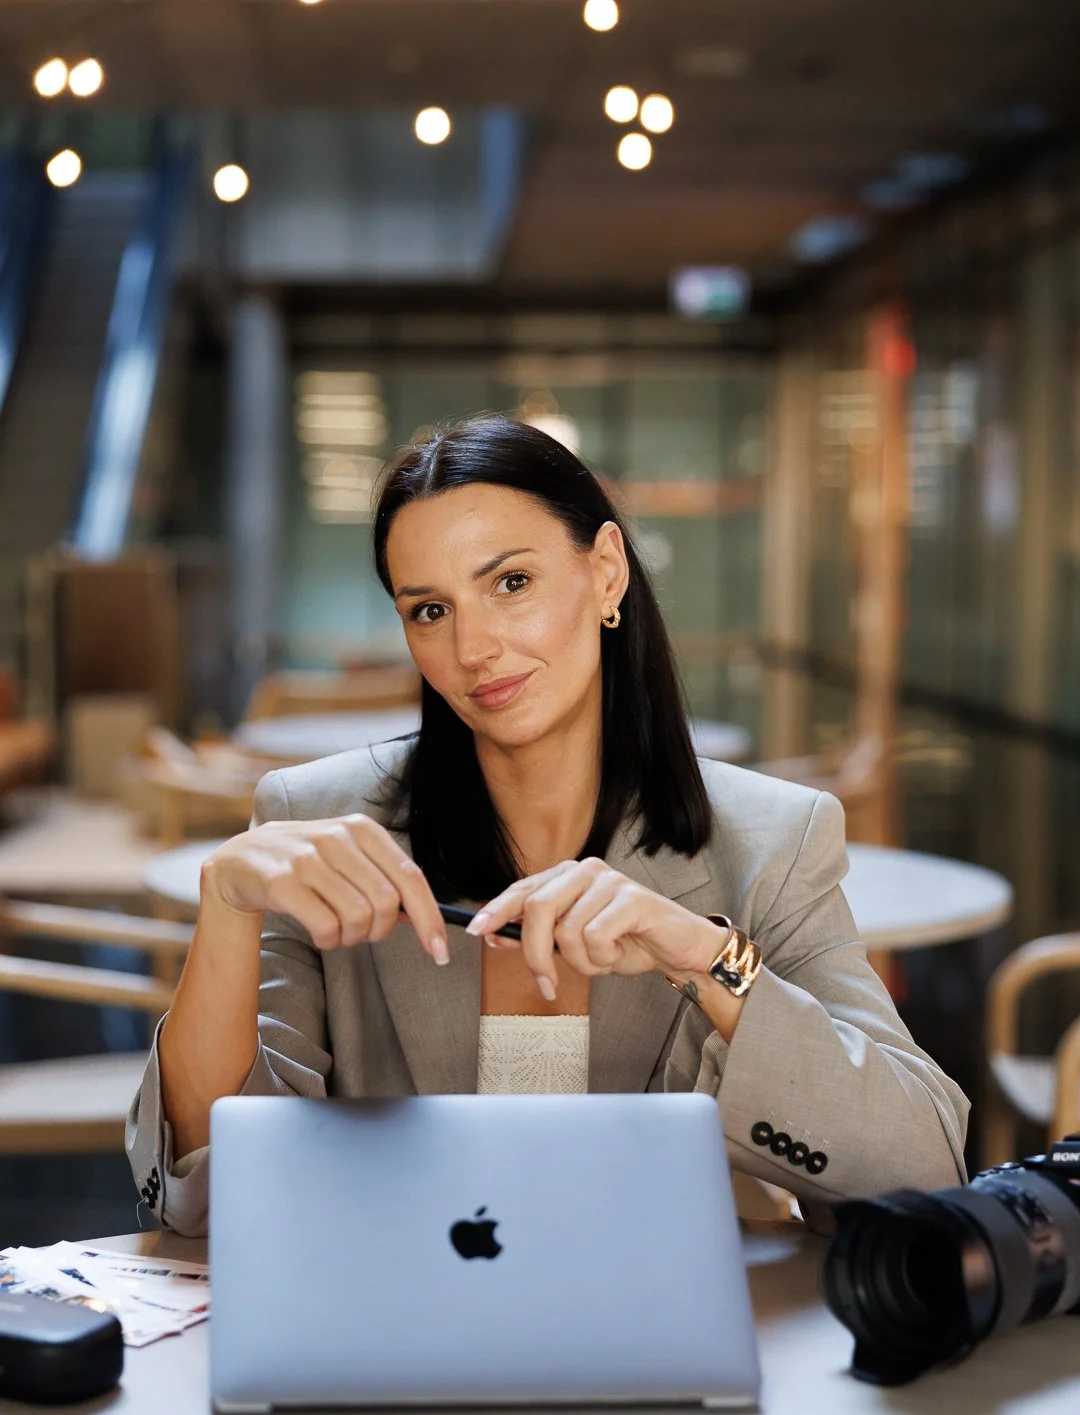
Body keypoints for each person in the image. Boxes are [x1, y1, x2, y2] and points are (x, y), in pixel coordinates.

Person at [127, 415, 968, 1237]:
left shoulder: (771, 840)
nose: (474, 648)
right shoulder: (318, 822)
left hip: (670, 1341)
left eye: (510, 584)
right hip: (391, 1333)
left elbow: (927, 1166)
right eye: (429, 610)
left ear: (606, 572)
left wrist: (703, 958)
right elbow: (201, 1197)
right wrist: (227, 908)